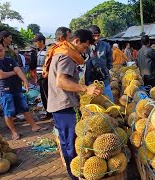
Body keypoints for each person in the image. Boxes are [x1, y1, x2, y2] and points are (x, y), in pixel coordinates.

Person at [47, 29, 102, 179]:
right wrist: (85, 89)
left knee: (67, 142)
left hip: (60, 104)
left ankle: (73, 174)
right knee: (70, 144)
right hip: (63, 105)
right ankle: (75, 176)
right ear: (76, 41)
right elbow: (61, 81)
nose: (84, 51)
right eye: (84, 47)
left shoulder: (61, 51)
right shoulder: (67, 56)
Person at [0, 39, 46, 140]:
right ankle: (14, 132)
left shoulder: (9, 59)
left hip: (16, 89)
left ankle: (34, 126)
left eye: (0, 50)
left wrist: (26, 81)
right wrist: (14, 72)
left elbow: (18, 70)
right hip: (4, 91)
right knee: (8, 112)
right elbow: (1, 75)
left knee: (25, 108)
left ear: (4, 49)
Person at [85, 25, 114, 102]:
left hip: (104, 81)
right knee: (93, 105)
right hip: (90, 81)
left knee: (110, 102)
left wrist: (107, 71)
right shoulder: (85, 47)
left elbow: (110, 62)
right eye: (94, 36)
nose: (96, 38)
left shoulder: (106, 46)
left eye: (98, 36)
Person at [32, 34, 50, 118]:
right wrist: (36, 76)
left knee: (47, 94)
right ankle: (48, 112)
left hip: (46, 76)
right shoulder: (38, 52)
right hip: (40, 76)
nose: (35, 44)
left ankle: (50, 113)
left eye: (36, 42)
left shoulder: (48, 51)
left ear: (41, 42)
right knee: (43, 95)